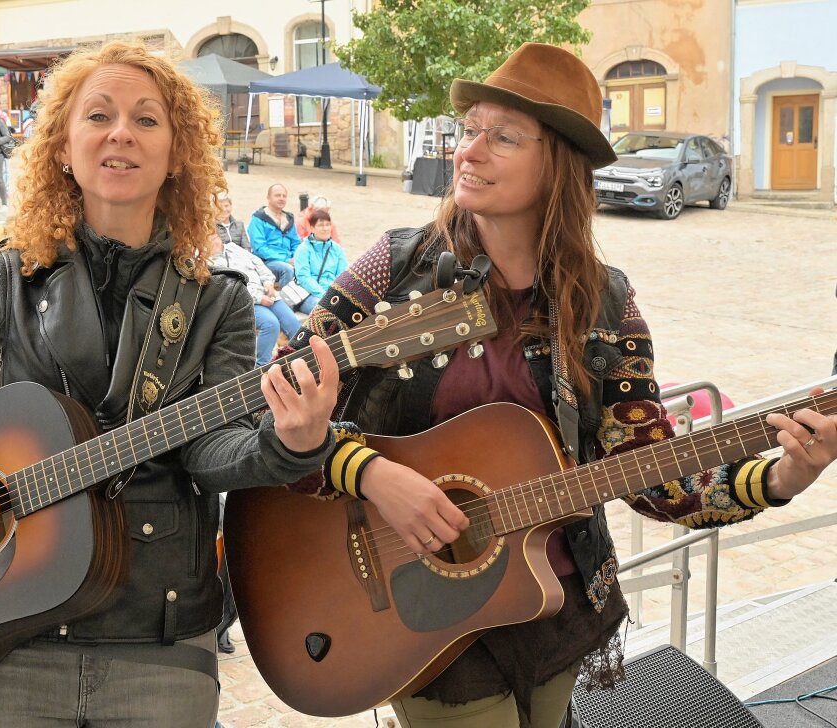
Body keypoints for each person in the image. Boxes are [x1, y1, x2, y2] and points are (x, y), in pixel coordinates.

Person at [283, 42, 837, 728]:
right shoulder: (391, 270)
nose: (468, 151)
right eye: (470, 130)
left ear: (559, 166)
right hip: (414, 604)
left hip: (551, 602)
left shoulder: (605, 304)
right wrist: (366, 471)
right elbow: (278, 400)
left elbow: (652, 475)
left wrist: (780, 478)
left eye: (503, 136)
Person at [0, 39, 339, 728]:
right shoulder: (7, 277)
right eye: (98, 115)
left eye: (146, 119)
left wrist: (290, 443)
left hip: (159, 639)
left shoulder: (220, 302)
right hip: (5, 636)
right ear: (63, 146)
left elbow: (209, 453)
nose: (121, 132)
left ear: (178, 151)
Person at [209, 231, 299, 367]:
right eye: (208, 238)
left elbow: (259, 264)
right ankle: (261, 367)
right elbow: (229, 288)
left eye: (214, 236)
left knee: (293, 324)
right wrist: (259, 298)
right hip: (243, 302)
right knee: (270, 324)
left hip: (266, 293)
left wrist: (268, 283)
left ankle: (299, 358)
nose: (214, 241)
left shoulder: (234, 248)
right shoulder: (208, 263)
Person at [292, 209, 346, 315]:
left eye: (328, 224)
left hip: (334, 294)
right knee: (327, 311)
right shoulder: (303, 249)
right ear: (312, 228)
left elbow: (342, 276)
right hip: (310, 295)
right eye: (321, 225)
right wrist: (325, 295)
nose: (325, 228)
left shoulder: (337, 249)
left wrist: (335, 294)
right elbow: (303, 277)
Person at [247, 183, 300, 286]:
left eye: (284, 196)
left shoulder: (289, 219)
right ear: (268, 198)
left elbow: (296, 243)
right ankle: (284, 301)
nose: (281, 198)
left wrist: (296, 258)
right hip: (266, 262)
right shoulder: (258, 219)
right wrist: (286, 260)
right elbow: (259, 248)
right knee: (287, 269)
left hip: (290, 259)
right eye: (277, 195)